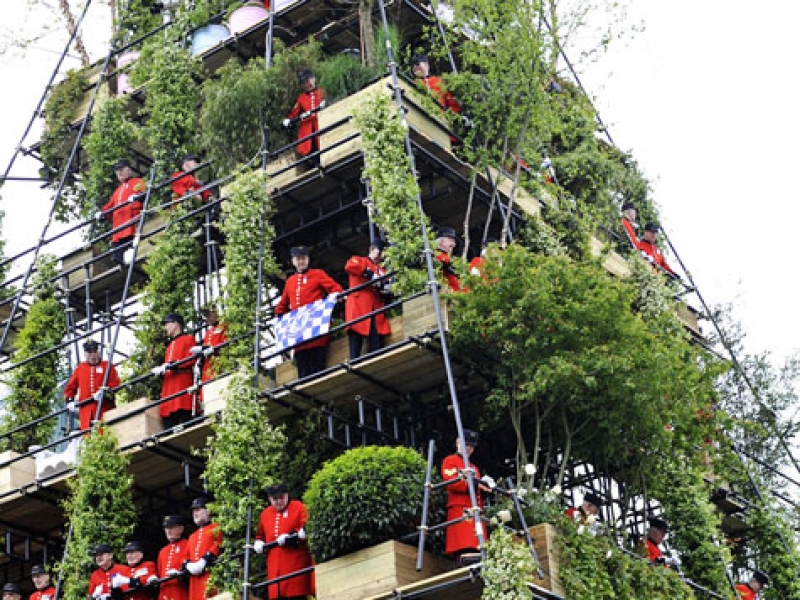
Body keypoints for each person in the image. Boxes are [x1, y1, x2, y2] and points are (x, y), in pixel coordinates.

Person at [275, 246, 343, 378]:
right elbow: (282, 305)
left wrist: (335, 297)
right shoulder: (290, 282)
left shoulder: (318, 274)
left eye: (304, 258)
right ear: (293, 261)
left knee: (318, 366)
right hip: (300, 335)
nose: (301, 262)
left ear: (308, 260)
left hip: (316, 329)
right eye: (298, 259)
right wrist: (278, 315)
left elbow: (336, 289)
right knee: (303, 369)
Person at [440, 429, 494, 564]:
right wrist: (477, 485)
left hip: (475, 510)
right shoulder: (450, 461)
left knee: (478, 546)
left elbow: (477, 492)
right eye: (467, 445)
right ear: (458, 442)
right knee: (464, 546)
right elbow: (452, 482)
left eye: (472, 446)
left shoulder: (474, 467)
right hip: (460, 509)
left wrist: (485, 489)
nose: (469, 449)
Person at [254, 483, 315, 600]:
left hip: (296, 571)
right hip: (275, 573)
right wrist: (259, 542)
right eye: (275, 499)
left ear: (287, 495)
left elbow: (306, 529)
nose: (278, 501)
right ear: (269, 499)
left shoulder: (298, 507)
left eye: (281, 497)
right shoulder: (265, 514)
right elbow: (260, 535)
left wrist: (292, 536)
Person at [343, 241, 391, 359]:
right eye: (379, 252)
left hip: (375, 308)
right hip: (359, 306)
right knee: (355, 341)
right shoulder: (359, 260)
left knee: (376, 344)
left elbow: (387, 286)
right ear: (371, 249)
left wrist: (386, 288)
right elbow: (350, 266)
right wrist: (370, 275)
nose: (380, 256)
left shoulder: (382, 270)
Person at [151, 314, 200, 429]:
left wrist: (174, 364)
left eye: (167, 324)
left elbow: (191, 359)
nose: (166, 327)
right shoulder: (169, 346)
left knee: (184, 414)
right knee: (169, 419)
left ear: (176, 324)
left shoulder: (188, 339)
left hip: (181, 383)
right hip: (170, 386)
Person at [64, 339, 121, 431]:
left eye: (94, 352)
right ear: (85, 354)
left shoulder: (107, 366)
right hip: (86, 413)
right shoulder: (80, 368)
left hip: (104, 409)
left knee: (106, 433)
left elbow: (115, 384)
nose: (92, 355)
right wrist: (69, 400)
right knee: (89, 437)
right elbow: (70, 387)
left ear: (98, 352)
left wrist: (105, 392)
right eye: (89, 353)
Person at [98, 159, 146, 265]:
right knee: (118, 256)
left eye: (121, 170)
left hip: (131, 224)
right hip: (119, 229)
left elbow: (144, 194)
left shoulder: (137, 182)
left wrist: (138, 196)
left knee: (130, 250)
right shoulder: (117, 191)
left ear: (128, 170)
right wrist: (102, 213)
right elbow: (109, 206)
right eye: (117, 171)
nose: (119, 173)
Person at [183, 498, 222, 600]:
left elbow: (219, 544)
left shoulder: (216, 527)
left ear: (208, 511)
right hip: (195, 581)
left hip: (210, 574)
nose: (195, 513)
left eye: (198, 510)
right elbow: (185, 556)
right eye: (193, 511)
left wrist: (204, 560)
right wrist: (187, 564)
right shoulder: (192, 536)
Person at [283, 70, 326, 158]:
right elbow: (294, 112)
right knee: (308, 145)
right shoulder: (301, 98)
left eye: (308, 81)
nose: (307, 84)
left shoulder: (321, 92)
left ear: (314, 79)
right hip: (309, 127)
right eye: (304, 83)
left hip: (321, 123)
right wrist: (289, 119)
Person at [191, 306, 227, 385]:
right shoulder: (209, 331)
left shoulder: (224, 326)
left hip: (219, 363)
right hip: (208, 366)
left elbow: (226, 344)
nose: (207, 318)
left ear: (216, 313)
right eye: (206, 316)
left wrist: (213, 349)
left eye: (209, 315)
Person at [157, 515, 189, 600]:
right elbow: (161, 574)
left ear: (181, 529)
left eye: (171, 527)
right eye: (166, 528)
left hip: (180, 591)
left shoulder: (187, 544)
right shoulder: (162, 551)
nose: (168, 531)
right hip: (164, 593)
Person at [435, 228, 462, 292]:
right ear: (440, 241)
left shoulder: (447, 258)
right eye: (451, 240)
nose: (454, 244)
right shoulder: (436, 256)